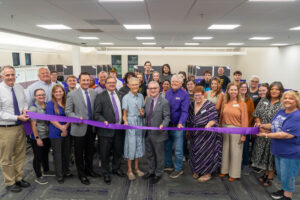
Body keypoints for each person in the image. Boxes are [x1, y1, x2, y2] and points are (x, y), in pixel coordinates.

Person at [257, 90, 300, 200]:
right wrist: (262, 125)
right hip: (278, 150)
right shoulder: (282, 111)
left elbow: (286, 135)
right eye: (285, 98)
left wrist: (266, 135)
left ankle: (287, 196)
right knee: (282, 175)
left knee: (289, 175)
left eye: (291, 98)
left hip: (290, 152)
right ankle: (284, 190)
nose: (287, 100)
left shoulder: (296, 115)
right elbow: (273, 125)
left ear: (297, 101)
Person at [66, 72, 100, 185]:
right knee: (79, 153)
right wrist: (76, 118)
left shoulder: (94, 93)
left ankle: (89, 170)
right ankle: (82, 174)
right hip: (79, 128)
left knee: (90, 151)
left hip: (92, 128)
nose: (86, 82)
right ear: (79, 81)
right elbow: (68, 112)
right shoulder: (72, 94)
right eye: (83, 80)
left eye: (87, 80)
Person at [0, 66, 30, 193]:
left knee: (20, 155)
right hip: (6, 129)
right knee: (6, 157)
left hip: (20, 127)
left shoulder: (19, 88)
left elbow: (24, 103)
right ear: (2, 76)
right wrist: (16, 116)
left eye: (12, 74)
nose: (11, 77)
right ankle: (10, 182)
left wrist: (24, 109)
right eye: (7, 75)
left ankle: (18, 178)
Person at [94, 76, 126, 185]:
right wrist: (103, 121)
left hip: (119, 129)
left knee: (118, 151)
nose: (112, 84)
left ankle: (116, 168)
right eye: (109, 82)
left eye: (114, 82)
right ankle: (106, 172)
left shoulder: (121, 95)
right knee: (105, 153)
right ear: (105, 84)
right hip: (105, 130)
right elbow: (96, 114)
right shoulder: (100, 96)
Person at [251, 82, 284, 187]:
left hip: (274, 134)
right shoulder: (264, 100)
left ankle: (270, 176)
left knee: (271, 156)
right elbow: (256, 114)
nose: (274, 91)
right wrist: (260, 126)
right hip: (262, 132)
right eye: (272, 89)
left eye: (277, 89)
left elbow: (282, 121)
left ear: (280, 91)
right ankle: (265, 173)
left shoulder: (282, 104)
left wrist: (270, 128)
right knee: (263, 155)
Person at [186, 86, 222, 182]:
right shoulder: (191, 104)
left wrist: (208, 125)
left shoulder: (209, 105)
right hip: (195, 134)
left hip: (207, 134)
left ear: (203, 95)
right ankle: (197, 170)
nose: (197, 97)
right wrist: (188, 131)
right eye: (195, 95)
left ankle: (207, 173)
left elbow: (214, 118)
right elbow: (189, 119)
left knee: (206, 153)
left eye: (199, 95)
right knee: (195, 152)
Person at [219, 83, 248, 182]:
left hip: (237, 130)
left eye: (235, 90)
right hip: (225, 128)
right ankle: (224, 170)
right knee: (225, 150)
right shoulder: (225, 102)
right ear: (228, 91)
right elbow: (221, 117)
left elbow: (245, 120)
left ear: (238, 91)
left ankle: (234, 173)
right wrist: (219, 128)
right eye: (231, 90)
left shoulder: (242, 104)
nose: (233, 92)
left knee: (236, 152)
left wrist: (244, 134)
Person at [143, 81, 170, 184]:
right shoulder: (148, 100)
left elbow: (167, 117)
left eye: (155, 88)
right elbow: (147, 115)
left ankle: (158, 173)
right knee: (149, 154)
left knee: (159, 155)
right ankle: (151, 171)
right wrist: (142, 114)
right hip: (148, 132)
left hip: (159, 134)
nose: (152, 90)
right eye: (150, 88)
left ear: (159, 89)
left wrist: (164, 124)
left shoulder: (164, 102)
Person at [165, 74, 190, 178]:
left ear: (181, 83)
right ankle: (168, 165)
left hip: (178, 126)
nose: (174, 83)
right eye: (172, 81)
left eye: (176, 82)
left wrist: (181, 122)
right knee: (167, 147)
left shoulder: (184, 94)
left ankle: (178, 169)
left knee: (178, 149)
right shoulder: (168, 93)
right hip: (168, 125)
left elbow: (185, 111)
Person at [46, 84, 72, 184]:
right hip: (55, 132)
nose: (58, 93)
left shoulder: (67, 102)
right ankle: (59, 175)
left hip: (67, 130)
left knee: (66, 153)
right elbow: (51, 119)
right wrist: (62, 128)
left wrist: (66, 127)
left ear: (63, 92)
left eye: (60, 91)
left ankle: (66, 171)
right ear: (53, 93)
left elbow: (70, 115)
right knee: (58, 154)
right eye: (56, 91)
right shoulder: (50, 104)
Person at [122, 77, 145, 181]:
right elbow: (124, 115)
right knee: (131, 146)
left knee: (138, 145)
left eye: (137, 84)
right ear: (129, 85)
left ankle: (136, 168)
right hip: (131, 124)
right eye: (133, 84)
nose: (135, 86)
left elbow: (142, 109)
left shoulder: (141, 96)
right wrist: (126, 122)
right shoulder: (126, 98)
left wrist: (142, 112)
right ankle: (129, 170)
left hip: (139, 123)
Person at [29, 88, 51, 185]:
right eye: (39, 95)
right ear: (35, 97)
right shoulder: (33, 108)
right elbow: (33, 125)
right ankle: (38, 176)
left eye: (43, 94)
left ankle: (46, 170)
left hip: (47, 134)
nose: (41, 96)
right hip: (38, 136)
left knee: (45, 154)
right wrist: (37, 138)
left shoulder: (47, 105)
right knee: (38, 156)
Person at [239, 82, 255, 175]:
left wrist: (246, 126)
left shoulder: (249, 100)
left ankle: (245, 165)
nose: (244, 89)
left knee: (245, 148)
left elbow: (251, 115)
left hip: (246, 127)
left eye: (245, 87)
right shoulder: (235, 99)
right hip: (236, 128)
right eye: (242, 87)